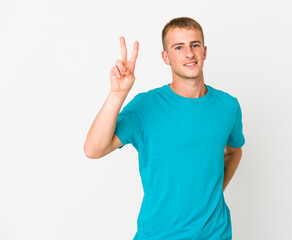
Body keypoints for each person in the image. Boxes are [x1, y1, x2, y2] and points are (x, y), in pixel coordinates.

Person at [84, 17, 245, 240]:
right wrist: (118, 93)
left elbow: (234, 151)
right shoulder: (145, 106)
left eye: (194, 45)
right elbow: (94, 149)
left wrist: (211, 193)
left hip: (215, 234)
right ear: (165, 57)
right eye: (178, 47)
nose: (189, 53)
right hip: (158, 235)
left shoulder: (228, 106)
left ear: (204, 52)